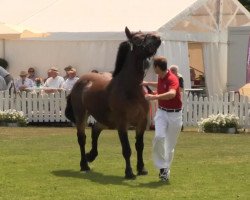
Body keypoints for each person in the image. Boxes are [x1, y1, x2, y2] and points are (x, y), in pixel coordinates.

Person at [142, 56, 182, 182]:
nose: (153, 68)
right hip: (162, 113)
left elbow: (172, 94)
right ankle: (162, 169)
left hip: (175, 115)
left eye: (154, 66)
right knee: (159, 138)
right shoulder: (161, 77)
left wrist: (153, 97)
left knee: (169, 146)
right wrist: (147, 83)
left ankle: (165, 170)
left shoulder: (172, 78)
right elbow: (160, 85)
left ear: (158, 67)